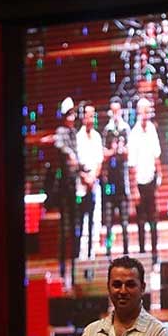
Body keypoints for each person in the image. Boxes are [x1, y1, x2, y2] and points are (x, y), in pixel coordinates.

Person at [127, 97, 162, 265]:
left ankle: (155, 256)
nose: (145, 114)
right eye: (143, 111)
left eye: (148, 111)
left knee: (153, 220)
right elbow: (131, 164)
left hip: (151, 181)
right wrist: (134, 189)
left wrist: (159, 175)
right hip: (139, 184)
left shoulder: (152, 129)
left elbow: (156, 154)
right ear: (138, 112)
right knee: (141, 221)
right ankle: (142, 256)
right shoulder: (133, 134)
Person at [54, 96, 80, 280]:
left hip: (74, 187)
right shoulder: (61, 132)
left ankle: (74, 269)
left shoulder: (74, 133)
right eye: (70, 114)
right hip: (64, 188)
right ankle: (63, 270)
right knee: (64, 230)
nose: (73, 117)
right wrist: (70, 155)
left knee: (74, 229)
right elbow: (60, 146)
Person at [102, 97, 131, 258]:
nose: (115, 114)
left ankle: (126, 253)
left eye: (117, 111)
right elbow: (103, 154)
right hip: (109, 184)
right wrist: (113, 151)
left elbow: (129, 152)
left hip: (122, 183)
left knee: (124, 222)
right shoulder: (107, 131)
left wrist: (121, 149)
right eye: (113, 111)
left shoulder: (125, 129)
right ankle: (108, 252)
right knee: (108, 223)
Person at [75, 102, 103, 259]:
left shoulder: (97, 137)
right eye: (88, 115)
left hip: (94, 183)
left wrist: (93, 177)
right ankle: (81, 254)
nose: (91, 118)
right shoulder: (77, 137)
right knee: (81, 220)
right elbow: (76, 163)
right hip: (81, 185)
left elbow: (99, 161)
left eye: (93, 116)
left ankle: (92, 253)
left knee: (94, 219)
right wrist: (85, 177)